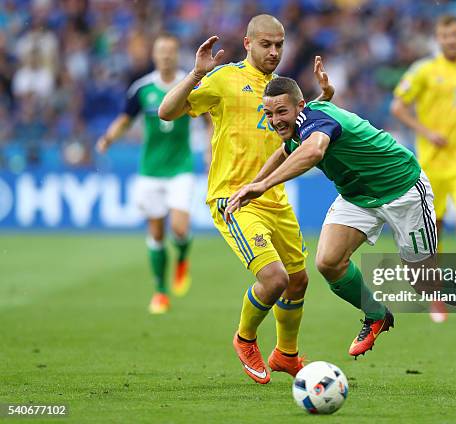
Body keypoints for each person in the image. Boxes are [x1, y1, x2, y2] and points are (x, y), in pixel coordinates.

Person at [226, 76, 456, 357]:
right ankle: (376, 315)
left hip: (402, 189)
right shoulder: (301, 123)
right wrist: (253, 185)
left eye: (282, 112)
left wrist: (264, 185)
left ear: (300, 106)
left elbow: (313, 151)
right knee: (328, 262)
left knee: (424, 280)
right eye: (269, 114)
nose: (275, 120)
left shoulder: (317, 122)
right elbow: (283, 152)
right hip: (358, 196)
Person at [158, 15, 333, 384]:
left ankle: (286, 354)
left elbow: (295, 136)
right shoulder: (224, 79)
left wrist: (321, 101)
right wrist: (194, 74)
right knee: (274, 279)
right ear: (249, 44)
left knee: (298, 281)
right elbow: (167, 111)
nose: (274, 52)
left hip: (275, 198)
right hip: (235, 198)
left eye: (279, 45)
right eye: (266, 45)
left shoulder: (282, 87)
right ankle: (245, 338)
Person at [390, 15, 456, 322]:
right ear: (438, 39)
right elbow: (397, 106)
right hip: (432, 162)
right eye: (446, 36)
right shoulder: (423, 71)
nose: (452, 40)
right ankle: (437, 293)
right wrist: (425, 131)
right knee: (434, 231)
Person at [96, 33, 194, 315]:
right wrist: (108, 139)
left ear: (177, 55)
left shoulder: (188, 84)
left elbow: (210, 118)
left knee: (179, 228)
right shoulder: (142, 89)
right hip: (150, 172)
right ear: (154, 55)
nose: (165, 56)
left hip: (180, 167)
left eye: (170, 51)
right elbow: (125, 119)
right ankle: (160, 292)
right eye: (161, 51)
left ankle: (183, 257)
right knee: (156, 233)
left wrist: (212, 148)